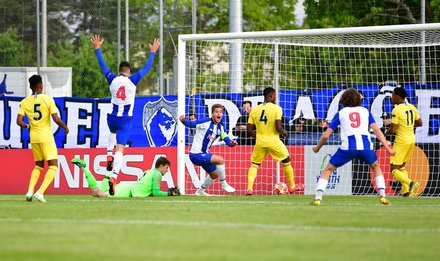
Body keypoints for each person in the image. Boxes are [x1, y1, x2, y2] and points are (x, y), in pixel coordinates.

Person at [91, 35, 160, 196]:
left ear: (119, 71)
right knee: (120, 149)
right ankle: (114, 178)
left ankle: (108, 156)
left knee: (111, 134)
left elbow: (103, 66)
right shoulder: (133, 80)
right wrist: (152, 52)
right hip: (125, 120)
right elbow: (146, 69)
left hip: (112, 117)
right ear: (128, 72)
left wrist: (97, 49)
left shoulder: (112, 79)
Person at [310, 88, 395, 206]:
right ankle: (383, 195)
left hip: (348, 148)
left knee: (328, 170)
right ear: (358, 100)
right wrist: (388, 148)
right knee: (376, 166)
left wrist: (317, 148)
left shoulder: (340, 113)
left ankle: (318, 198)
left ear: (343, 100)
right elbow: (376, 130)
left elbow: (326, 135)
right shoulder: (365, 111)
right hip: (365, 147)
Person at [17, 75, 69, 203]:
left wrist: (27, 126)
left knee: (38, 165)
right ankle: (40, 192)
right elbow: (56, 119)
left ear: (30, 87)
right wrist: (65, 127)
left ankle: (30, 191)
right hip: (46, 136)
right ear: (40, 85)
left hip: (34, 137)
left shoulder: (24, 102)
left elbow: (19, 121)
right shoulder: (47, 99)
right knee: (53, 165)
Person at [246, 87, 304, 195]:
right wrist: (285, 133)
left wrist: (258, 137)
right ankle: (291, 186)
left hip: (260, 142)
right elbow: (278, 127)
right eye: (275, 96)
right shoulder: (277, 108)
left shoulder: (254, 110)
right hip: (273, 141)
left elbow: (249, 130)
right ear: (271, 96)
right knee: (286, 160)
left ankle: (249, 188)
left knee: (254, 164)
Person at [179, 104, 238, 196]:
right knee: (220, 160)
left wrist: (232, 143)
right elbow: (191, 124)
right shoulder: (205, 122)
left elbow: (227, 141)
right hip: (195, 154)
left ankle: (200, 191)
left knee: (214, 174)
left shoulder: (221, 128)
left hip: (204, 154)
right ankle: (224, 184)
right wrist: (183, 120)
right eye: (216, 112)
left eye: (220, 112)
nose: (219, 114)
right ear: (212, 113)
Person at [71, 156, 180, 197]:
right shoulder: (157, 174)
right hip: (127, 191)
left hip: (125, 187)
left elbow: (149, 191)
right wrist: (169, 193)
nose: (167, 170)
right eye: (166, 167)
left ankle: (105, 170)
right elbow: (155, 193)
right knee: (98, 193)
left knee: (97, 192)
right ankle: (86, 168)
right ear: (161, 166)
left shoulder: (149, 171)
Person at [384, 87, 422, 197]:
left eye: (393, 95)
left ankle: (411, 183)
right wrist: (407, 126)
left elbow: (394, 129)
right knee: (401, 167)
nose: (391, 97)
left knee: (393, 169)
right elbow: (419, 123)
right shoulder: (412, 107)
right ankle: (406, 192)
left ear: (398, 96)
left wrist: (385, 133)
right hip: (411, 139)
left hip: (401, 141)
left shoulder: (396, 110)